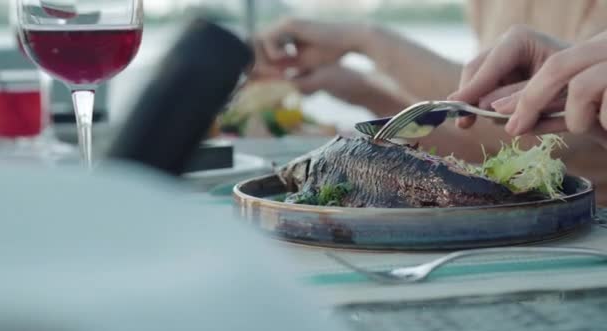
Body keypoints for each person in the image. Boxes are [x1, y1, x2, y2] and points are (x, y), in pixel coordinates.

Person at [253, 0, 607, 205]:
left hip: (584, 220)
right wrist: (357, 88)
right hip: (506, 217)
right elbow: (477, 146)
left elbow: (540, 136)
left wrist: (365, 40)